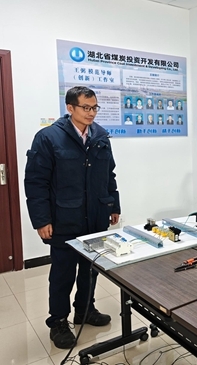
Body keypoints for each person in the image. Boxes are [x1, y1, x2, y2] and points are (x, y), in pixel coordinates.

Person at [24, 86, 120, 349]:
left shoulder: (101, 136)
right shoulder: (48, 138)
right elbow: (36, 182)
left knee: (90, 269)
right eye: (86, 108)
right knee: (62, 273)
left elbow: (109, 175)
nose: (91, 113)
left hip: (96, 215)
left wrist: (114, 205)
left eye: (94, 107)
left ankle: (85, 310)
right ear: (70, 108)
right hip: (64, 217)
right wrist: (41, 220)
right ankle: (58, 321)